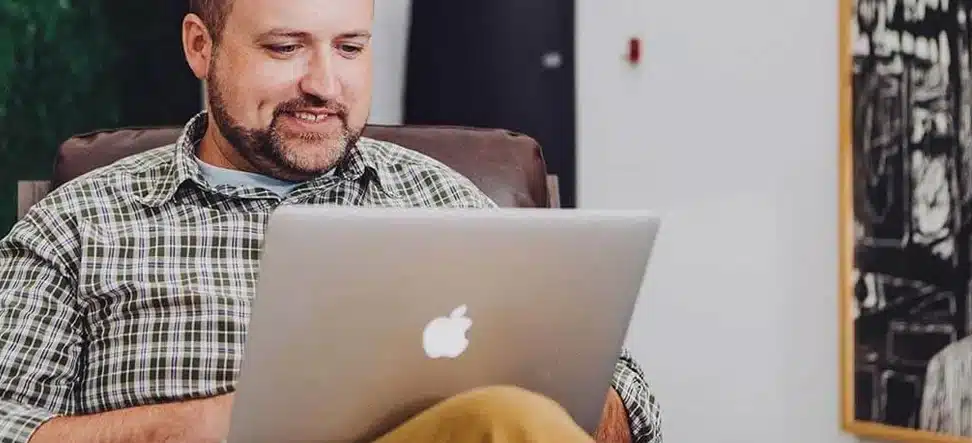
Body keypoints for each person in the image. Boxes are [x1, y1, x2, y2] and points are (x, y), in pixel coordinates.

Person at [0, 0, 663, 442]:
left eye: (350, 47)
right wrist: (217, 423)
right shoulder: (80, 224)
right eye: (286, 47)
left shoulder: (441, 201)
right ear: (201, 47)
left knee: (514, 417)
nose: (325, 82)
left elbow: (632, 403)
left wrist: (520, 398)